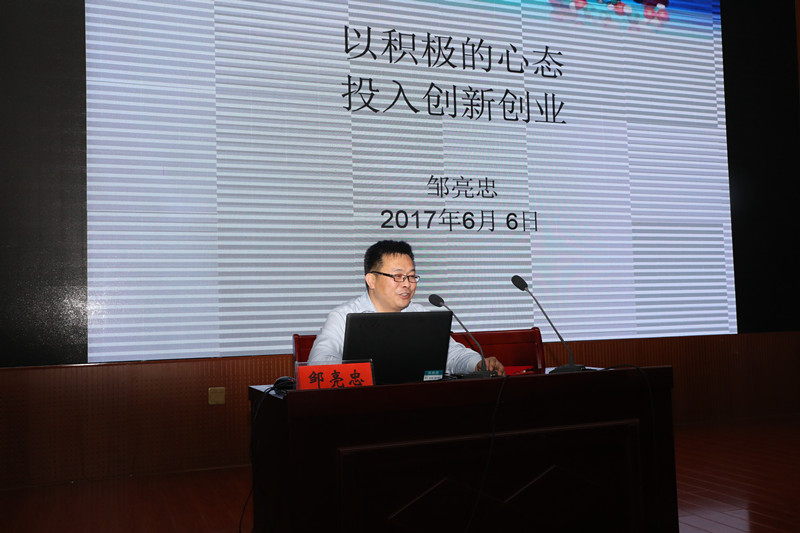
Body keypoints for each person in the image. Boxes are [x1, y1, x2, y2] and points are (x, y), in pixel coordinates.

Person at [308, 240, 505, 376]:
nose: (407, 284)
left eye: (411, 276)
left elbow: (452, 355)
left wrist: (478, 363)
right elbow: (319, 363)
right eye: (398, 276)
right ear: (371, 280)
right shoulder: (343, 316)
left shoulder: (420, 315)